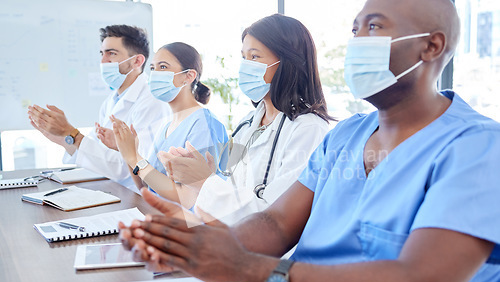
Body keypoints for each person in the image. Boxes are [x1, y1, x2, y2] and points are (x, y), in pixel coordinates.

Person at [120, 0, 500, 282]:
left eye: (374, 27)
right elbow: (277, 224)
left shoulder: (477, 147)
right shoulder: (347, 135)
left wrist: (246, 268)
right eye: (354, 29)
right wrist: (193, 241)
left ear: (431, 46)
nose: (356, 41)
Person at [157, 14, 331, 224]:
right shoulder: (247, 124)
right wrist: (202, 173)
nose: (246, 66)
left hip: (270, 252)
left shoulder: (308, 129)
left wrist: (204, 181)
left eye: (255, 57)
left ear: (287, 62)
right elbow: (229, 183)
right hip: (230, 237)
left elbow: (277, 218)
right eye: (244, 57)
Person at [28, 25, 170, 192]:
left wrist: (71, 133)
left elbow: (132, 168)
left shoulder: (152, 101)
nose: (103, 61)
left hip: (137, 198)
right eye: (102, 53)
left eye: (111, 53)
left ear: (137, 61)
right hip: (115, 190)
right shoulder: (112, 101)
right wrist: (63, 138)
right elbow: (95, 149)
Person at [111, 42, 228, 209]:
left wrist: (134, 158)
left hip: (189, 228)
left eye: (163, 67)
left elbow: (188, 198)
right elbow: (147, 188)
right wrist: (129, 152)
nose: (155, 74)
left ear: (188, 76)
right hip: (158, 215)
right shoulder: (168, 125)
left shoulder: (204, 124)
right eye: (152, 68)